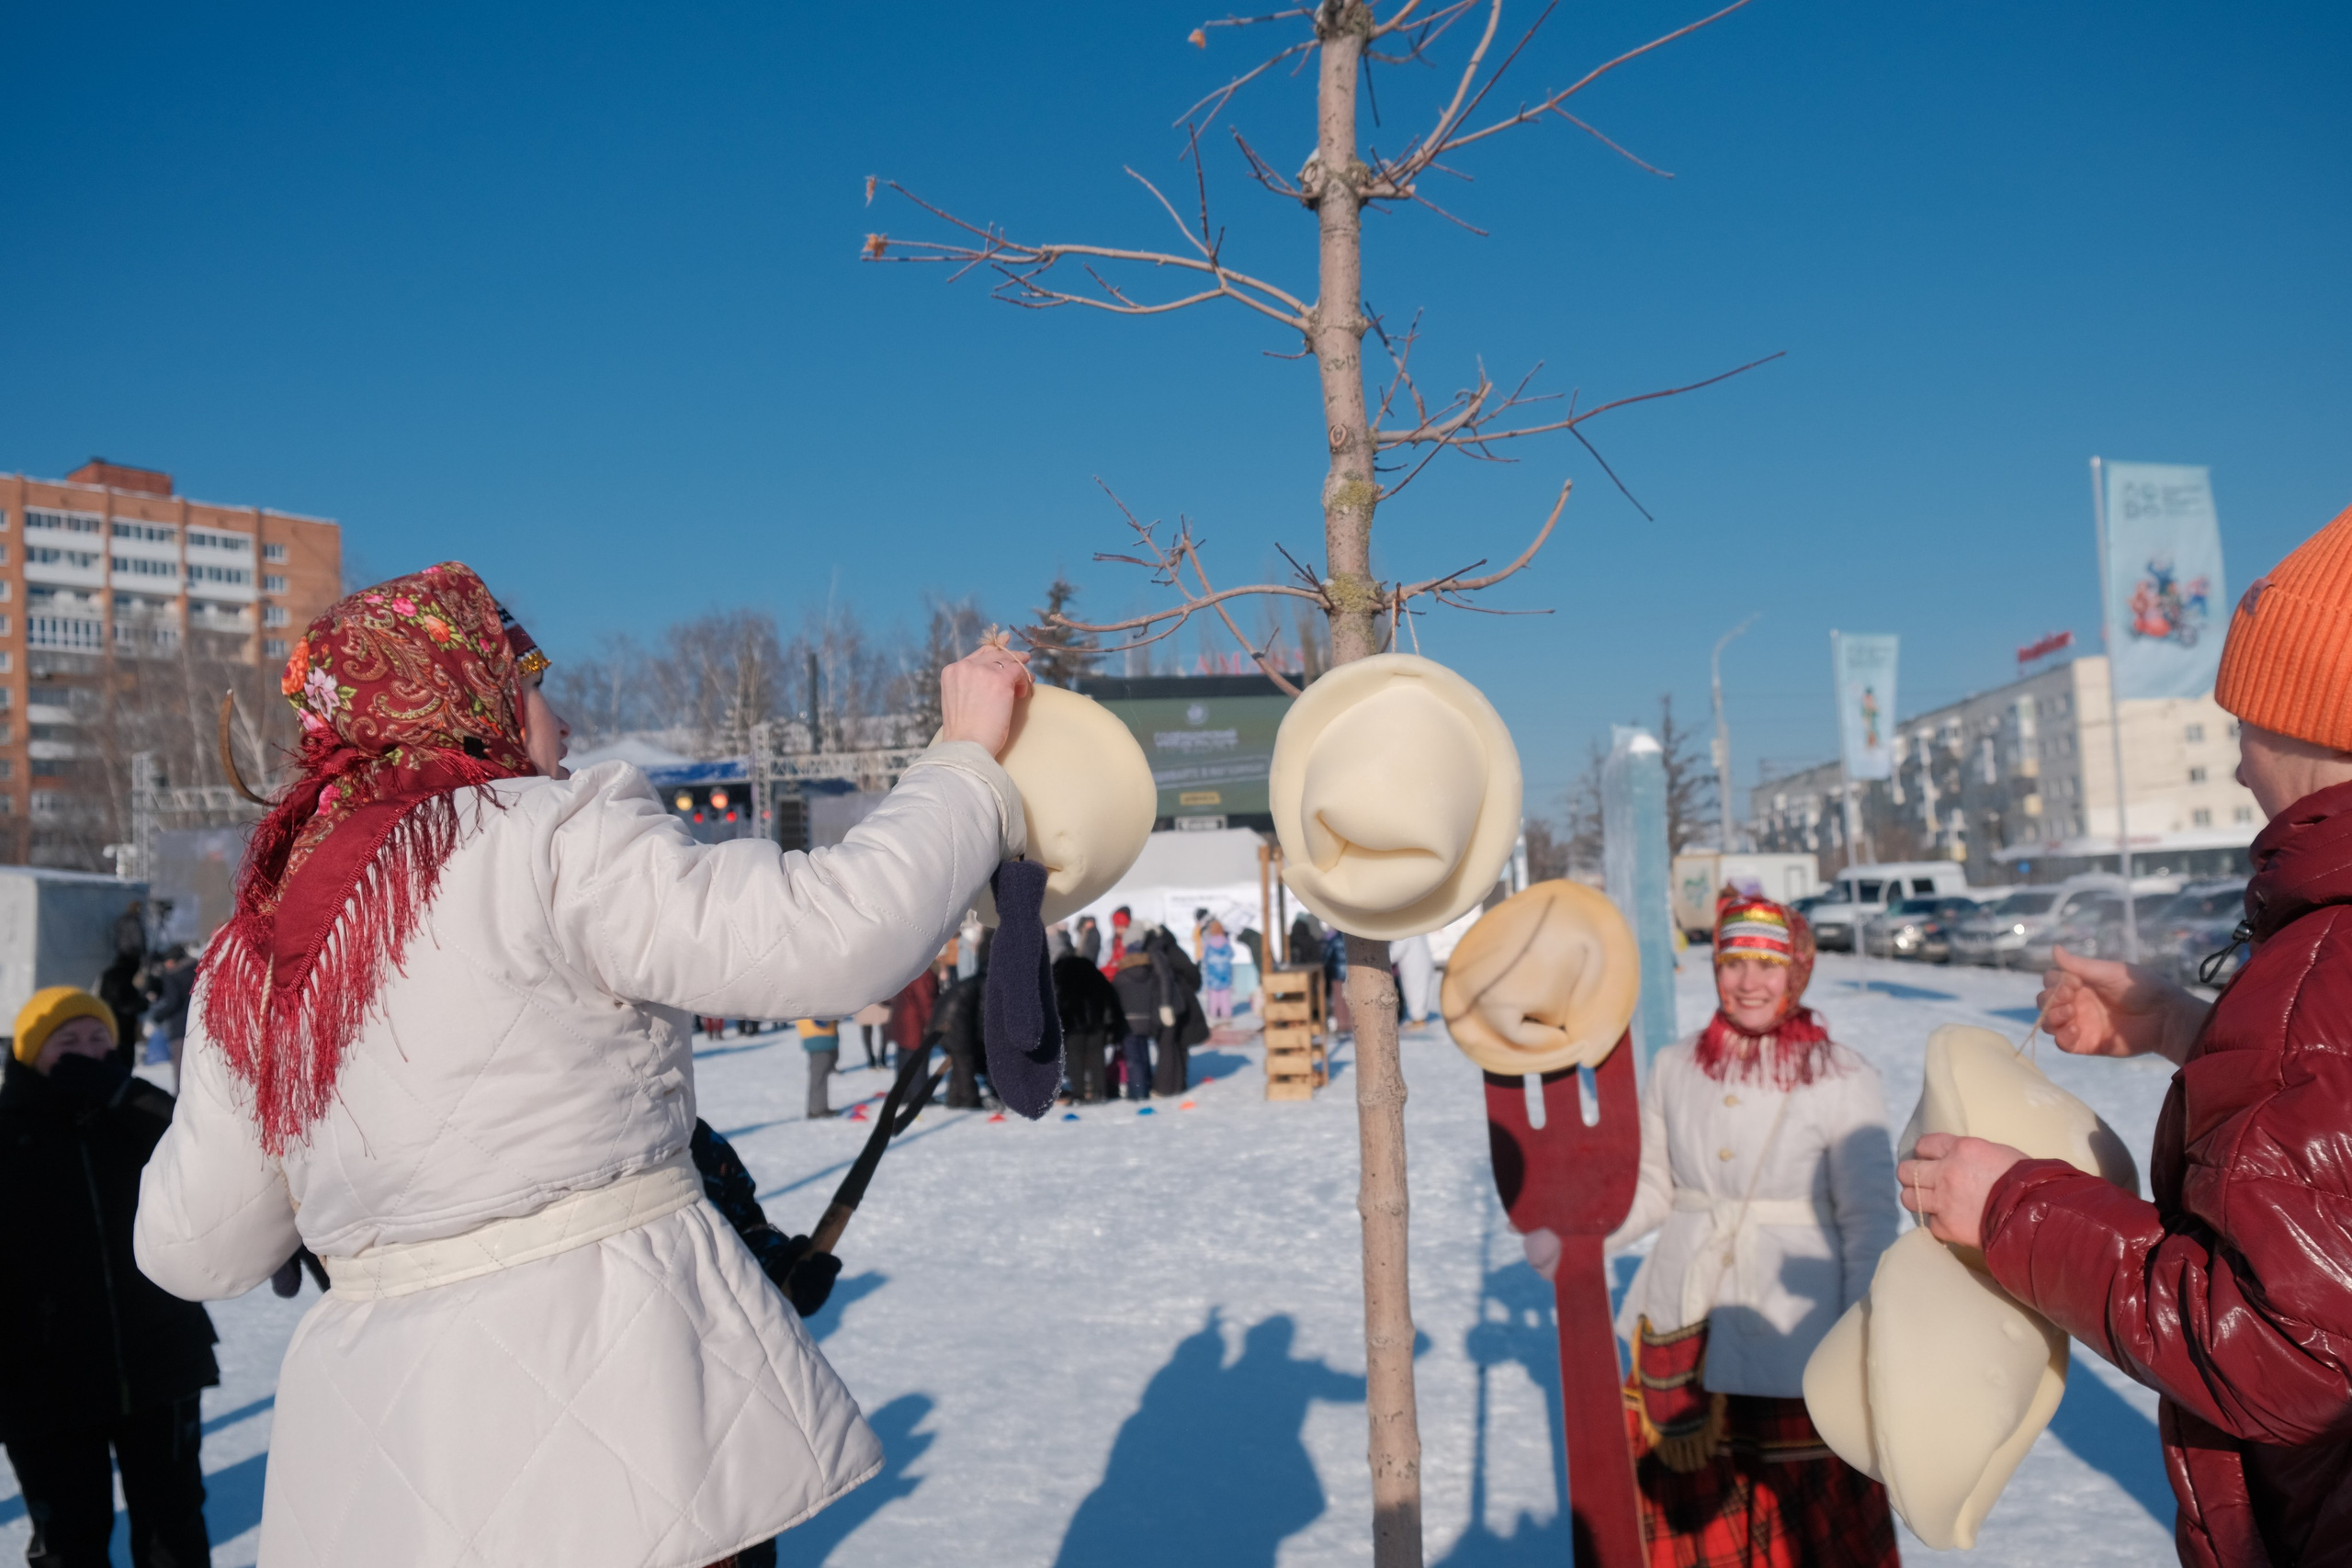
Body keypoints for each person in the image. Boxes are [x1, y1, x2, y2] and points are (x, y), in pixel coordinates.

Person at [132, 563, 1032, 1568]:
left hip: (386, 1472)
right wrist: (964, 762)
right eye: (532, 679)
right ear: (472, 695)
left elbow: (192, 1250)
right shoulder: (542, 838)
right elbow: (834, 934)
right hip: (630, 1421)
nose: (558, 719)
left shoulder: (255, 948)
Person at [1900, 502, 2352, 1568]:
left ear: (2306, 713)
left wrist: (2011, 1206)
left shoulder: (2328, 959)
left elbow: (2285, 1350)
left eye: (2242, 718)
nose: (2238, 763)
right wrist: (2187, 1028)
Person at [1530, 897, 1900, 1566]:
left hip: (1798, 1333)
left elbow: (1868, 1218)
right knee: (1692, 1527)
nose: (1749, 981)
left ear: (1798, 972)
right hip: (1682, 1321)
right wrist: (1579, 1241)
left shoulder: (1843, 1075)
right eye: (1733, 962)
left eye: (1767, 963)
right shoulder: (1675, 1065)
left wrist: (1861, 1330)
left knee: (1801, 1521)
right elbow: (1652, 1190)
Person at [2, 987, 220, 1568]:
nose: (87, 1052)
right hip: (43, 1382)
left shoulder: (134, 1115)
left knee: (172, 1528)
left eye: (98, 1038)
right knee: (71, 1538)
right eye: (66, 1042)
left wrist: (125, 1096)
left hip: (159, 1359)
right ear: (28, 1054)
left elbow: (207, 1152)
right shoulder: (7, 1135)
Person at [1112, 919, 1174, 1101]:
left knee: (1133, 1060)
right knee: (1144, 1054)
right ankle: (1146, 1086)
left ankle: (1137, 1092)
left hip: (1128, 1022)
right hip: (1147, 1020)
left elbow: (1116, 999)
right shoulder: (1149, 974)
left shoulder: (1121, 976)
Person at [1053, 946, 1125, 1103]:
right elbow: (1109, 996)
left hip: (1072, 1023)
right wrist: (1111, 1022)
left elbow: (1056, 1001)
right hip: (1096, 1022)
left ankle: (1078, 1094)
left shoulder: (1062, 974)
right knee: (1097, 1056)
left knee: (1075, 1058)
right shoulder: (1092, 972)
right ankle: (1100, 1092)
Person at [887, 961, 940, 1070]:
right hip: (916, 1025)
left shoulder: (909, 968)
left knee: (904, 1066)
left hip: (903, 1022)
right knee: (916, 1070)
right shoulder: (922, 972)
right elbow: (926, 1001)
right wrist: (933, 1024)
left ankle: (904, 1087)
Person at [799, 1018, 842, 1119]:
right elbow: (821, 1019)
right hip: (819, 1037)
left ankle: (816, 1108)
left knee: (819, 1075)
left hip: (819, 1037)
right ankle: (818, 1109)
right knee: (819, 1076)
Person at [1392, 931, 1435, 1026]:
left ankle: (1418, 1020)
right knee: (1421, 991)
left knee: (1415, 992)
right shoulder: (1416, 930)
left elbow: (1396, 952)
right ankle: (1419, 1018)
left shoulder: (1406, 933)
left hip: (1413, 966)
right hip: (1421, 963)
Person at [1201, 919, 1236, 1022]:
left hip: (1213, 974)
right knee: (1225, 995)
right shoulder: (1225, 942)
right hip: (1225, 973)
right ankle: (1226, 1013)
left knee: (1213, 995)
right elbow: (1231, 955)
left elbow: (1205, 958)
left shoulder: (1209, 943)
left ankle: (1213, 1013)